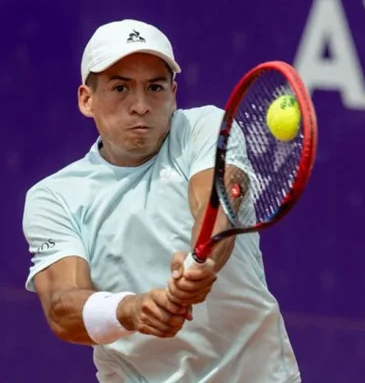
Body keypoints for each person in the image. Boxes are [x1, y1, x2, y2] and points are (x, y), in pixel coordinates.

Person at [21, 19, 301, 383]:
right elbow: (63, 309)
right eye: (120, 87)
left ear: (173, 94)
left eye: (155, 87)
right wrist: (131, 310)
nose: (140, 105)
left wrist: (203, 261)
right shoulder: (54, 197)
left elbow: (215, 205)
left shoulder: (205, 128)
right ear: (86, 100)